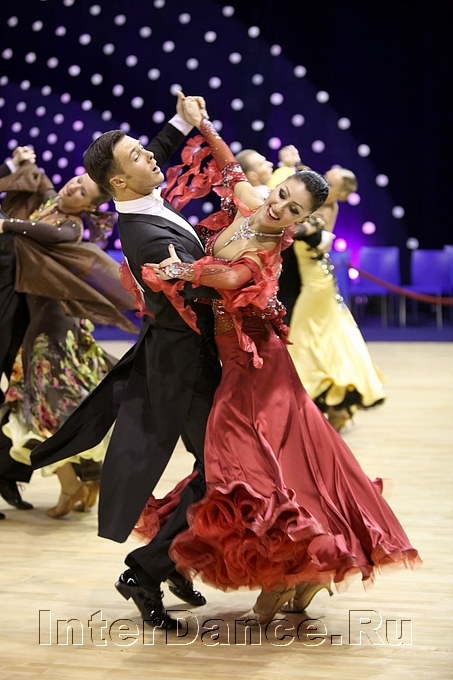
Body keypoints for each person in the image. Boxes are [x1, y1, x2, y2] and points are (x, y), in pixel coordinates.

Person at [138, 107, 419, 625]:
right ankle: (298, 569)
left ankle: (288, 568)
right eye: (282, 194)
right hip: (235, 356)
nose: (279, 206)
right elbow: (229, 166)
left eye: (293, 208)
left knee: (246, 465)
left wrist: (181, 269)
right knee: (272, 462)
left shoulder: (268, 249)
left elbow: (228, 278)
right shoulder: (251, 202)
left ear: (301, 220)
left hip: (253, 362)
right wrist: (202, 123)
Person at [31, 93, 222, 629]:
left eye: (143, 150)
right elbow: (205, 295)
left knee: (218, 470)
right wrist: (252, 257)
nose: (150, 156)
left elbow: (153, 152)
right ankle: (146, 569)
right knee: (222, 472)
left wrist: (182, 121)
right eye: (137, 156)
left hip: (187, 358)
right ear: (119, 181)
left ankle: (173, 560)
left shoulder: (143, 196)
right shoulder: (146, 237)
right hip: (183, 370)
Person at [0, 151, 138, 517]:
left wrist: (7, 224)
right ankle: (82, 483)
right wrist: (24, 162)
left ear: (88, 207)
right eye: (76, 181)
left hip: (52, 331)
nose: (72, 188)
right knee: (49, 410)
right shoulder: (51, 202)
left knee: (45, 413)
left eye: (81, 192)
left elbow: (45, 232)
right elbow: (45, 183)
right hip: (41, 328)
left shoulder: (71, 228)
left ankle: (74, 486)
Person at [288, 167, 386, 431]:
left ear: (340, 194)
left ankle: (324, 398)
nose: (324, 182)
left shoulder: (325, 210)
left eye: (330, 183)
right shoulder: (317, 200)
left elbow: (306, 232)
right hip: (316, 279)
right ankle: (334, 402)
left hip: (315, 282)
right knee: (327, 337)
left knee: (302, 337)